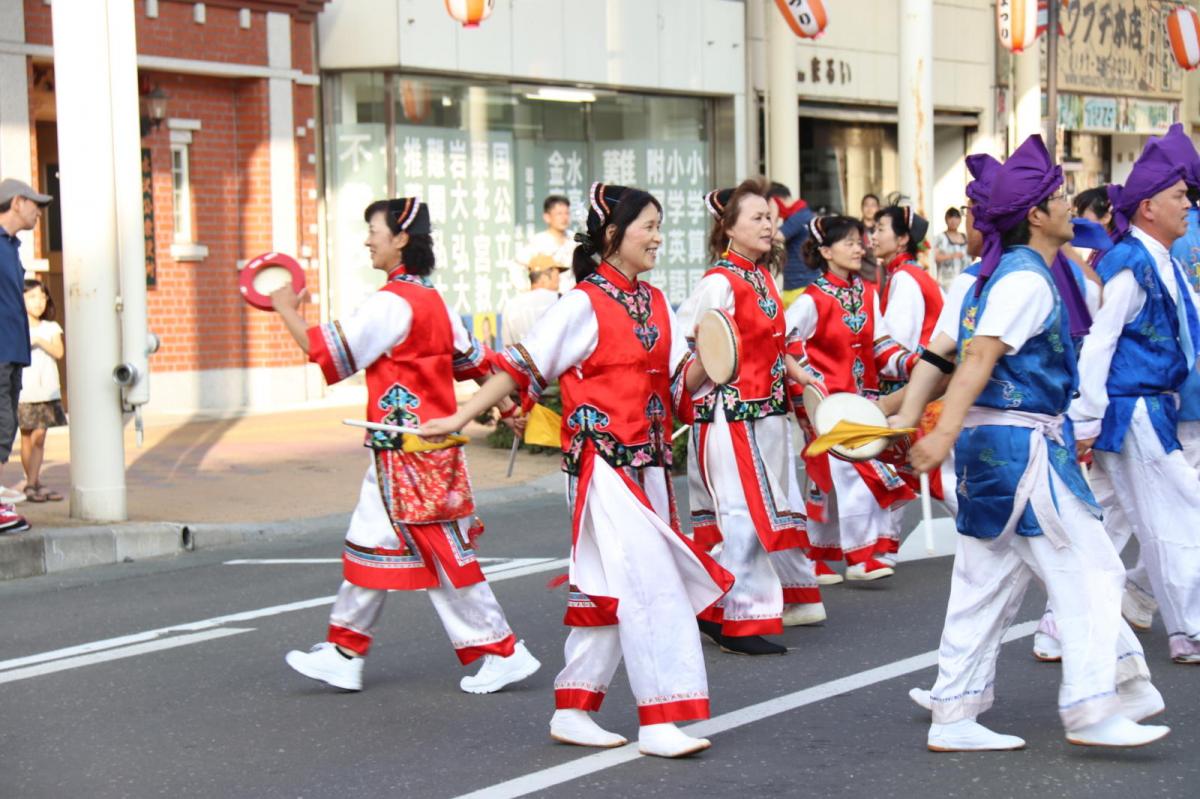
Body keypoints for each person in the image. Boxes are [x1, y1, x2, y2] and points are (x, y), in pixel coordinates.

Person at [423, 182, 731, 758]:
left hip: (652, 466)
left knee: (612, 589)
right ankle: (661, 718)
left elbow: (673, 384)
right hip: (603, 468)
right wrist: (462, 414)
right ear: (614, 234)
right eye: (649, 226)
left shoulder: (657, 302)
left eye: (661, 226)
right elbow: (522, 367)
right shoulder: (583, 302)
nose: (659, 237)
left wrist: (716, 361)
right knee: (648, 586)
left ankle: (574, 708)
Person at [908, 135, 1167, 751]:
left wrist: (913, 418)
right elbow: (976, 355)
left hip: (988, 451)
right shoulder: (1024, 280)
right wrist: (936, 428)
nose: (1068, 205)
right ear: (1035, 215)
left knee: (982, 583)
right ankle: (1092, 709)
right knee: (1092, 571)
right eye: (1058, 197)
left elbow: (940, 357)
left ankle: (954, 713)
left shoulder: (995, 278)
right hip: (1023, 449)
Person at [272, 196, 540, 693]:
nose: (367, 239)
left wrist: (284, 307)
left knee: (440, 552)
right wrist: (506, 406)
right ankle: (344, 650)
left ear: (400, 239)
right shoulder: (433, 300)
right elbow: (475, 360)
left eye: (373, 229)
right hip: (417, 449)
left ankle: (503, 649)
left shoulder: (391, 302)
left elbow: (323, 350)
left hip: (408, 450)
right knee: (372, 544)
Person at [1069, 132, 1200, 665]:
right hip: (1134, 410)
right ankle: (1187, 629)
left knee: (1103, 522)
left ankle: (1065, 623)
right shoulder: (1130, 261)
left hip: (1151, 407)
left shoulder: (1160, 257)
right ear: (1148, 207)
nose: (1189, 204)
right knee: (1175, 518)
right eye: (1179, 196)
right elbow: (1100, 340)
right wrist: (1087, 418)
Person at [678, 178, 824, 656]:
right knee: (743, 518)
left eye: (772, 218)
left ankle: (719, 606)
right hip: (730, 416)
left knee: (768, 513)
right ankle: (729, 616)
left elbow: (775, 348)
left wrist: (805, 378)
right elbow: (688, 353)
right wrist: (709, 365)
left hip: (767, 414)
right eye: (758, 218)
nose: (770, 225)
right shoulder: (719, 281)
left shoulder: (761, 277)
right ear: (729, 228)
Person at [785, 215, 919, 581]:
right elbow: (785, 342)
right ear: (826, 252)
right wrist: (808, 389)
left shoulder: (866, 292)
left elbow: (882, 344)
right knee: (853, 475)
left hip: (864, 401)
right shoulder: (812, 299)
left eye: (859, 241)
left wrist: (913, 363)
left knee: (830, 483)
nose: (859, 247)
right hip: (831, 407)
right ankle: (861, 557)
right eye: (848, 242)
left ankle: (817, 556)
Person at [0, 179, 51, 533]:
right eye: (36, 204)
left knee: (5, 425)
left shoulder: (11, 247)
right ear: (17, 202)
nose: (39, 212)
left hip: (12, 352)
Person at [17, 279, 65, 502]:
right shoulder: (16, 327)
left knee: (40, 435)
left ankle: (32, 482)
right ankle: (32, 482)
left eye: (42, 297)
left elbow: (58, 352)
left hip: (47, 389)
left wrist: (39, 340)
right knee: (26, 436)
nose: (38, 302)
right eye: (32, 297)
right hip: (25, 390)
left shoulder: (51, 327)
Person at [766, 181, 816, 300]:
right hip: (797, 283)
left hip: (801, 284)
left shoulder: (800, 216)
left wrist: (773, 214)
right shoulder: (800, 214)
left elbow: (773, 236)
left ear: (776, 201)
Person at [501, 253, 562, 345]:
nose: (559, 281)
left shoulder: (511, 306)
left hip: (523, 358)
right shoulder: (561, 300)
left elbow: (508, 347)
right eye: (556, 277)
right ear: (544, 278)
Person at [519, 194, 577, 292]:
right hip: (547, 298)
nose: (564, 218)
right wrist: (527, 288)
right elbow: (517, 265)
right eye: (559, 214)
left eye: (567, 213)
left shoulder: (575, 240)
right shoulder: (538, 241)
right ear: (547, 217)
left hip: (571, 297)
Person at [932, 208, 971, 288]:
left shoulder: (966, 237)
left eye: (956, 217)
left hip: (966, 282)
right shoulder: (940, 238)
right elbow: (934, 257)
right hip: (946, 283)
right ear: (946, 219)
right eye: (950, 217)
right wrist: (952, 256)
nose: (953, 221)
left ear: (960, 220)